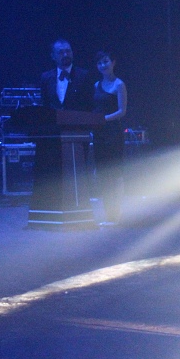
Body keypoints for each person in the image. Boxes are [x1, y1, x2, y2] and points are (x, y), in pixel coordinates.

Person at [92, 50, 127, 225]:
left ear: (113, 62)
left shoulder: (119, 84)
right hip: (99, 133)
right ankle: (108, 214)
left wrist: (104, 119)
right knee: (102, 173)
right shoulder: (96, 85)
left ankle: (115, 213)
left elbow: (122, 111)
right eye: (99, 63)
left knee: (114, 173)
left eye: (106, 61)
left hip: (113, 133)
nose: (103, 65)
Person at [40, 39, 93, 112]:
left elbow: (89, 105)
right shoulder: (46, 77)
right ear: (53, 56)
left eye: (68, 51)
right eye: (61, 52)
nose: (65, 55)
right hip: (53, 119)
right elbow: (45, 104)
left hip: (77, 119)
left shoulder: (84, 75)